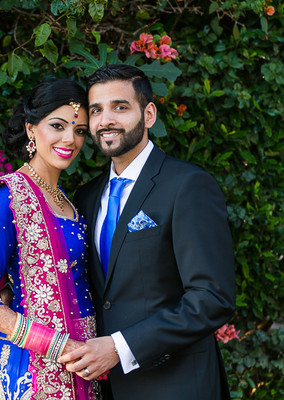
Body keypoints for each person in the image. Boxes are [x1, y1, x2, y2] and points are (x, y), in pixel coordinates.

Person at [58, 64, 236, 400]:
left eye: (120, 107)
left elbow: (212, 298)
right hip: (106, 388)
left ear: (149, 114)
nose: (106, 120)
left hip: (177, 385)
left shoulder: (188, 185)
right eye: (96, 110)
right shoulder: (86, 196)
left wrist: (120, 348)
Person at [0, 78, 99, 400]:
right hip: (32, 371)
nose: (70, 139)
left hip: (84, 364)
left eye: (79, 131)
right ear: (31, 128)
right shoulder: (8, 197)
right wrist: (55, 344)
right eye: (58, 126)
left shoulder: (69, 201)